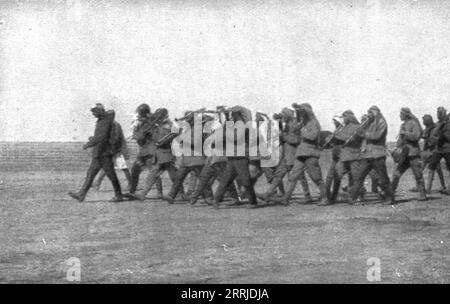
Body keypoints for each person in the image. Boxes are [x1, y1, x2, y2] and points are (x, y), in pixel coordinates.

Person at [68, 104, 123, 202]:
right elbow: (99, 136)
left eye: (94, 111)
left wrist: (89, 144)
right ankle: (82, 194)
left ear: (100, 111)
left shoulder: (105, 121)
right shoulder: (102, 120)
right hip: (99, 153)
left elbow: (100, 137)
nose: (93, 114)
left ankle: (118, 195)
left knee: (111, 175)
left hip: (104, 153)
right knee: (90, 174)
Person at [276, 103, 327, 205]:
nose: (301, 114)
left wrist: (302, 132)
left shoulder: (313, 122)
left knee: (316, 177)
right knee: (293, 176)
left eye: (302, 112)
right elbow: (294, 132)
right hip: (301, 154)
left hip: (310, 153)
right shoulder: (302, 123)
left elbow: (313, 136)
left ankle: (325, 197)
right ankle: (285, 199)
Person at [257, 108, 311, 204]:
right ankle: (270, 194)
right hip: (287, 156)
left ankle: (306, 196)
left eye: (283, 115)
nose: (282, 117)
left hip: (294, 155)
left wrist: (283, 136)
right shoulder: (287, 125)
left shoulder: (295, 125)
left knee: (300, 177)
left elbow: (296, 140)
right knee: (279, 175)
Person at [130, 108, 183, 201]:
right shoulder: (159, 125)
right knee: (154, 174)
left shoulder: (167, 125)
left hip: (166, 154)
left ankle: (181, 193)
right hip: (160, 155)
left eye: (159, 116)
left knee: (173, 176)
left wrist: (152, 133)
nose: (157, 117)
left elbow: (162, 138)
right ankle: (143, 193)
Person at [212, 106, 258, 208]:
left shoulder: (242, 124)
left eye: (232, 114)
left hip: (240, 156)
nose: (231, 116)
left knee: (245, 180)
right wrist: (223, 117)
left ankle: (253, 202)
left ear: (237, 114)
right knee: (225, 180)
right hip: (232, 156)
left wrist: (224, 133)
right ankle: (216, 200)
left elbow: (236, 137)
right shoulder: (233, 124)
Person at [348, 106, 395, 205]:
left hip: (378, 154)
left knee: (383, 177)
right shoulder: (368, 123)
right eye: (368, 112)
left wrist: (364, 133)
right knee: (359, 176)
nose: (369, 114)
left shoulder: (382, 122)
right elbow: (362, 137)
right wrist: (358, 133)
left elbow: (376, 136)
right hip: (367, 155)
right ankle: (353, 197)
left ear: (377, 112)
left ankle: (390, 198)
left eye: (371, 112)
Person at [127, 104, 163, 198]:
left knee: (153, 172)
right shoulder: (144, 122)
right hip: (144, 151)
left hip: (150, 151)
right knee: (135, 170)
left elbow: (141, 136)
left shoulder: (151, 123)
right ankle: (132, 192)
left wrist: (136, 134)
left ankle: (159, 193)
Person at [390, 108, 427, 201]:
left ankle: (423, 195)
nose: (399, 116)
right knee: (396, 174)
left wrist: (405, 133)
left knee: (418, 175)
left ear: (405, 114)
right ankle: (390, 194)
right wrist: (396, 147)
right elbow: (400, 140)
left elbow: (416, 136)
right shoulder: (403, 125)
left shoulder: (413, 123)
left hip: (413, 153)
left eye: (401, 114)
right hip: (404, 154)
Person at [93, 111, 132, 191]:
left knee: (123, 167)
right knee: (107, 167)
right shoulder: (111, 124)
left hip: (117, 150)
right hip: (113, 150)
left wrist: (112, 149)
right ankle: (97, 183)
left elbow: (116, 139)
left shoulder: (115, 125)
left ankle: (131, 184)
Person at [417, 114, 447, 193]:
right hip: (427, 152)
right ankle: (421, 187)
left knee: (435, 170)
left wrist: (429, 138)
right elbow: (422, 135)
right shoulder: (427, 129)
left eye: (424, 120)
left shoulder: (434, 129)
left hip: (433, 152)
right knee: (422, 170)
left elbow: (436, 140)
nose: (423, 122)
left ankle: (430, 188)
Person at [427, 107, 450, 195]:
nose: (438, 115)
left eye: (440, 113)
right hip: (438, 149)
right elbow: (432, 137)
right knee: (431, 167)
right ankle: (428, 188)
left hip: (448, 149)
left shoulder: (448, 124)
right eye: (438, 113)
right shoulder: (437, 124)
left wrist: (443, 134)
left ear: (444, 113)